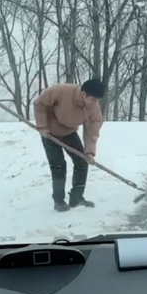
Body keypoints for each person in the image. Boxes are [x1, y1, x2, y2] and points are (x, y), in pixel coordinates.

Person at [33, 79, 105, 212]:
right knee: (59, 165)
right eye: (93, 99)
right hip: (49, 132)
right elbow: (39, 103)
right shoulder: (61, 91)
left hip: (69, 132)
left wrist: (89, 151)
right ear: (83, 94)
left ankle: (76, 198)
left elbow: (92, 130)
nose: (95, 103)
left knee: (82, 162)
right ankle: (59, 201)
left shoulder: (93, 106)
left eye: (97, 100)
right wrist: (42, 126)